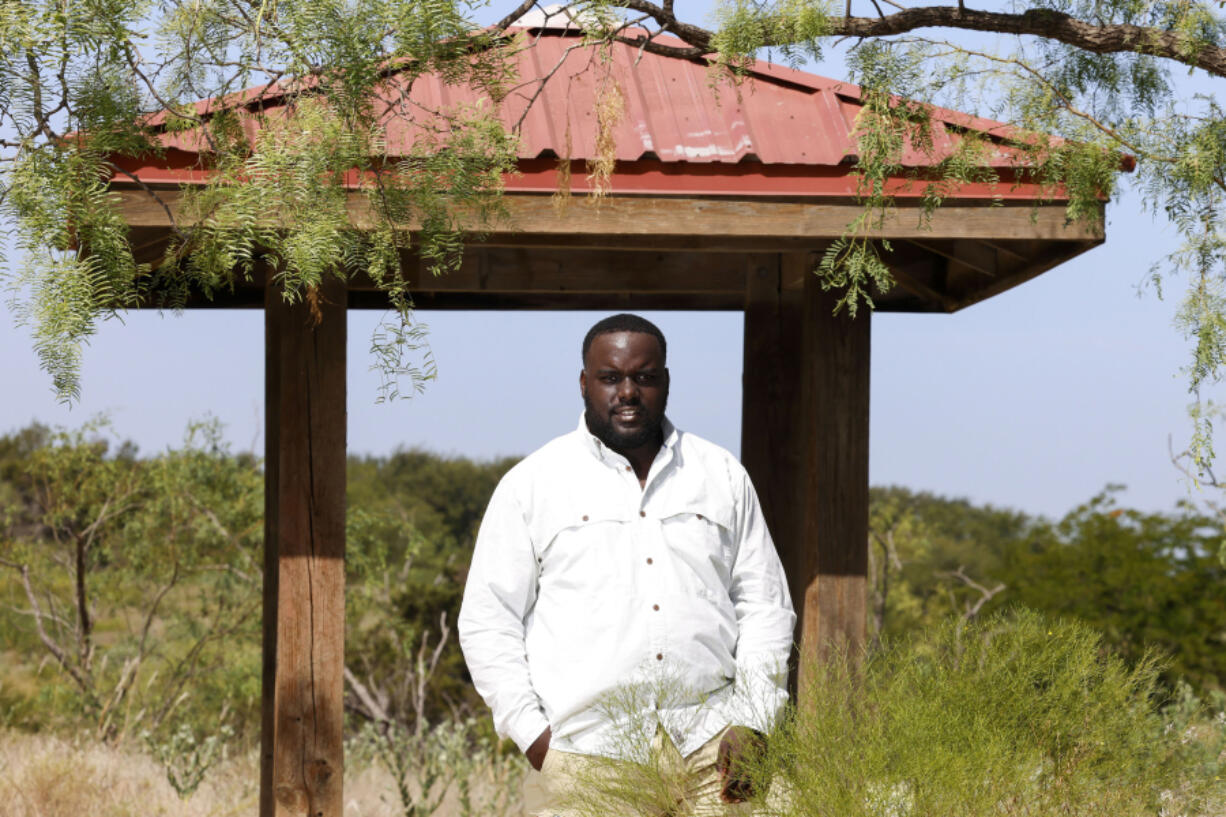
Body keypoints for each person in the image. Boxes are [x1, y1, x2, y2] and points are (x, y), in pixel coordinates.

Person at [458, 313, 795, 816]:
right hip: (589, 757)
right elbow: (488, 621)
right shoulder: (533, 484)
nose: (628, 392)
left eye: (645, 377)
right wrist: (535, 738)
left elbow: (765, 605)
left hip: (714, 751)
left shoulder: (720, 473)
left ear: (665, 382)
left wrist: (754, 719)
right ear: (584, 384)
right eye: (611, 377)